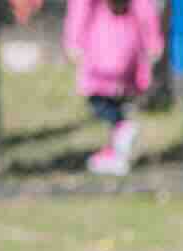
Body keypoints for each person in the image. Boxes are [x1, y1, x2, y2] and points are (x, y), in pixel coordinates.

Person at [64, 0, 163, 176]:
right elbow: (146, 11)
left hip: (99, 49)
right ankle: (117, 154)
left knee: (98, 101)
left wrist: (74, 42)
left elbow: (79, 9)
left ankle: (122, 127)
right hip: (127, 49)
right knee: (116, 101)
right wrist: (153, 42)